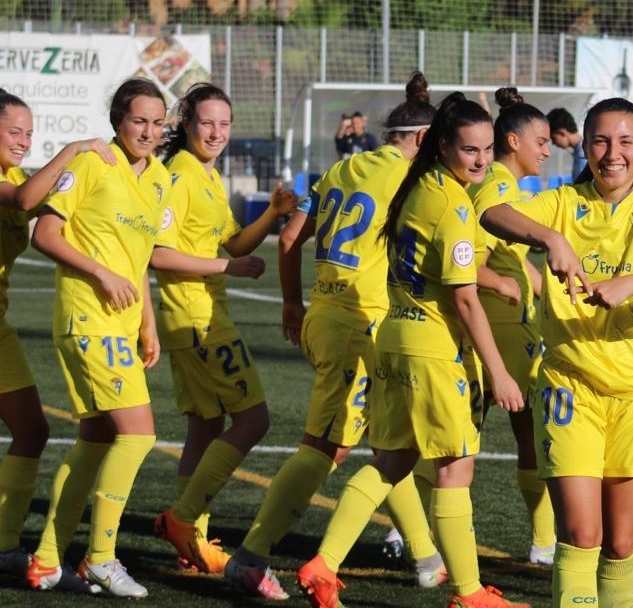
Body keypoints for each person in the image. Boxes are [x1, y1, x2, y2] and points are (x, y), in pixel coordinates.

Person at [296, 92, 528, 608]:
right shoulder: (450, 203)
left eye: (487, 149)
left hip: (396, 340)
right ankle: (469, 593)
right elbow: (464, 300)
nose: (482, 160)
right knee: (454, 466)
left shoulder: (419, 185)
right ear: (442, 145)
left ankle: (323, 564)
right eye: (470, 150)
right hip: (430, 349)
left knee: (392, 461)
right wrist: (499, 372)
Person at [481, 97, 633, 607]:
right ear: (585, 145)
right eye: (602, 141)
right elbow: (489, 211)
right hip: (570, 386)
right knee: (583, 534)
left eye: (626, 142)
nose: (613, 153)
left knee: (622, 543)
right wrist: (548, 238)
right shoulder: (561, 202)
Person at [225, 73, 446, 599]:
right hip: (361, 322)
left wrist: (291, 300)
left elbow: (290, 236)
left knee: (391, 443)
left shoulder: (344, 166)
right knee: (325, 448)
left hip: (332, 313)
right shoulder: (409, 181)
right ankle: (251, 556)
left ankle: (426, 556)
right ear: (420, 140)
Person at [26, 78, 173, 598]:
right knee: (138, 434)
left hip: (121, 325)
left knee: (96, 439)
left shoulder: (159, 179)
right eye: (139, 121)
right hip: (86, 318)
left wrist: (147, 324)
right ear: (118, 121)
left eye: (158, 123)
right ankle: (101, 558)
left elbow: (138, 261)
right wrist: (99, 274)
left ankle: (46, 560)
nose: (149, 132)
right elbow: (43, 234)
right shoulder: (92, 163)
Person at [149, 83, 296, 575]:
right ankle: (184, 521)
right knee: (254, 421)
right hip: (194, 316)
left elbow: (232, 244)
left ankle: (190, 539)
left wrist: (273, 215)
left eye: (224, 124)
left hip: (202, 312)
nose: (216, 132)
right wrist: (226, 270)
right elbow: (159, 254)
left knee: (206, 427)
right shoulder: (179, 176)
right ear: (186, 123)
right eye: (207, 122)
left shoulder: (207, 176)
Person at [0, 90, 116, 586]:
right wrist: (75, 148)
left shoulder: (19, 177)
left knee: (32, 429)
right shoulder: (15, 185)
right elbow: (27, 202)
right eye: (14, 132)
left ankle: (6, 550)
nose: (24, 141)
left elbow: (55, 204)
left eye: (29, 132)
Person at [467, 87, 555, 564]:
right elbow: (464, 264)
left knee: (524, 434)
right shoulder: (497, 190)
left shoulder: (509, 189)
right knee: (472, 441)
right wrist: (500, 285)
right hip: (493, 332)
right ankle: (543, 543)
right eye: (540, 141)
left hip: (514, 330)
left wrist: (555, 292)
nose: (547, 150)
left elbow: (516, 264)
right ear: (513, 141)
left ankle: (544, 542)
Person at [547, 107, 585, 180]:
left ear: (562, 133)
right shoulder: (579, 151)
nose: (553, 143)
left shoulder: (584, 153)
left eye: (553, 138)